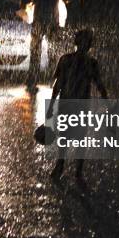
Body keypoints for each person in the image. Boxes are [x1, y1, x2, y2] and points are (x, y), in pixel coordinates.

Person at [46, 29, 107, 179]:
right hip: (79, 103)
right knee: (77, 137)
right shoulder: (89, 63)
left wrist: (52, 104)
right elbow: (99, 84)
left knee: (68, 136)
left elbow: (58, 84)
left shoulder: (66, 59)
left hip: (69, 102)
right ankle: (75, 171)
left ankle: (62, 167)